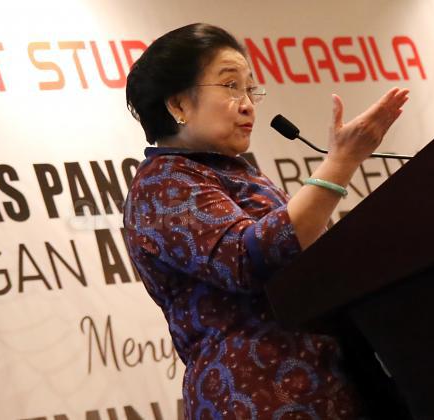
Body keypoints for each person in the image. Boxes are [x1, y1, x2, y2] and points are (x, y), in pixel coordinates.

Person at [123, 23, 409, 419]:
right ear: (178, 106)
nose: (248, 105)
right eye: (230, 86)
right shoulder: (163, 183)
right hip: (255, 396)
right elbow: (247, 258)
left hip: (323, 388)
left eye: (250, 88)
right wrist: (341, 162)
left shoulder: (231, 171)